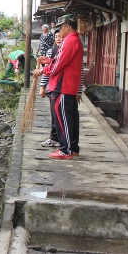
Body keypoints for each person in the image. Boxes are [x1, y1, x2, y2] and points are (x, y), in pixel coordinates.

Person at [33, 14, 83, 160]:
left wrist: (43, 70)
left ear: (68, 26)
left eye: (61, 28)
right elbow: (62, 62)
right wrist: (48, 60)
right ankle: (72, 148)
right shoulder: (75, 40)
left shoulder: (70, 41)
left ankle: (65, 149)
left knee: (63, 118)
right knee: (70, 117)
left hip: (63, 86)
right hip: (68, 85)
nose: (59, 32)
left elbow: (58, 65)